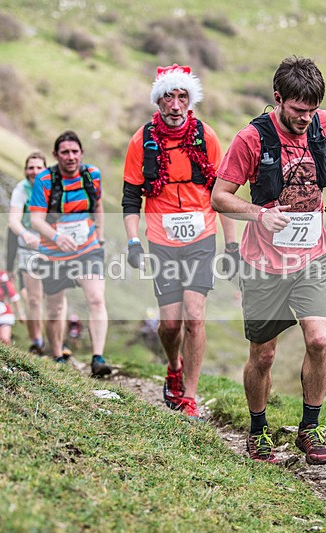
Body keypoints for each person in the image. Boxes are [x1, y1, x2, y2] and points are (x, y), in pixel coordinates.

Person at [211, 56, 326, 464]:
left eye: (311, 110)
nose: (306, 119)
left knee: (320, 340)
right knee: (264, 354)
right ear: (277, 99)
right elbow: (220, 196)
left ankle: (310, 428)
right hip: (264, 263)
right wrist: (259, 214)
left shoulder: (323, 123)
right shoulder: (250, 139)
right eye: (297, 111)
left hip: (312, 255)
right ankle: (258, 431)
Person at [122, 63, 238, 420]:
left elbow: (224, 193)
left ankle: (189, 396)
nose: (175, 104)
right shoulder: (142, 141)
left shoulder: (207, 137)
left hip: (202, 235)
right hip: (161, 239)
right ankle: (173, 365)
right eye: (168, 97)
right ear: (158, 102)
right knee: (170, 324)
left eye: (182, 96)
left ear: (190, 101)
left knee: (195, 317)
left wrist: (231, 245)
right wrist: (132, 241)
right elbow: (130, 198)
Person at [29, 130, 112, 377]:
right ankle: (57, 356)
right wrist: (56, 237)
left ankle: (98, 358)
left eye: (75, 151)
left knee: (96, 298)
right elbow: (35, 220)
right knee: (55, 308)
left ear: (82, 153)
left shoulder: (92, 175)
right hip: (53, 253)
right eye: (65, 152)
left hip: (87, 249)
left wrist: (99, 234)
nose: (70, 156)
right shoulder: (45, 180)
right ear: (55, 155)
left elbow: (97, 204)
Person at [8, 151, 64, 355]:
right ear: (25, 170)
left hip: (52, 245)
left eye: (38, 167)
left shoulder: (54, 187)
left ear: (45, 169)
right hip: (28, 246)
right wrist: (24, 233)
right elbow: (13, 220)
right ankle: (37, 342)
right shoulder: (21, 189)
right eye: (30, 167)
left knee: (56, 297)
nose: (34, 171)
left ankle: (58, 343)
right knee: (33, 298)